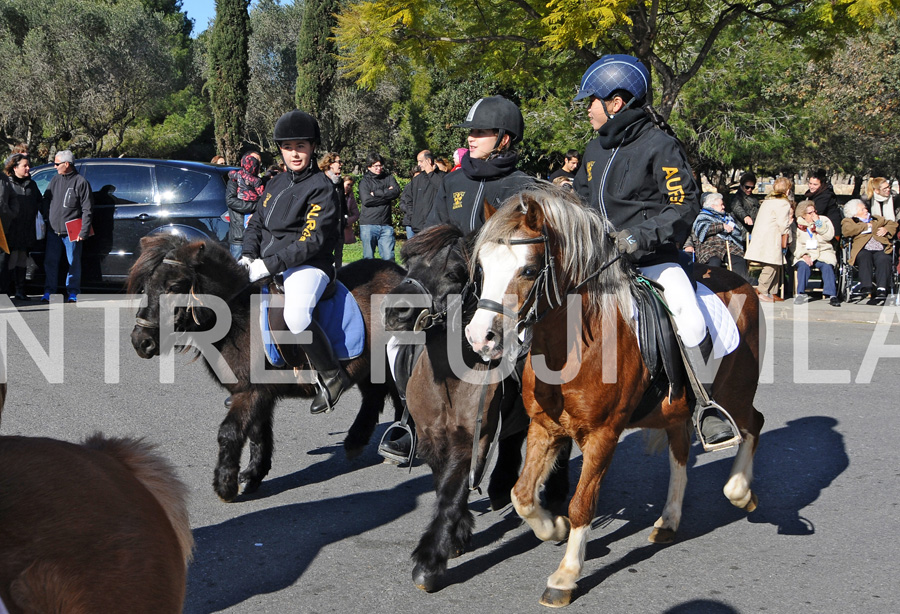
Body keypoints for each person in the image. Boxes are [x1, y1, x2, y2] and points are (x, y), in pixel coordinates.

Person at [572, 54, 737, 449]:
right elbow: (579, 199)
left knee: (690, 316)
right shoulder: (594, 149)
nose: (587, 110)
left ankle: (704, 405)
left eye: (591, 101)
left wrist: (637, 237)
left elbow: (683, 207)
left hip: (651, 260)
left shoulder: (660, 146)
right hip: (597, 261)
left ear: (615, 102)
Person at [241, 109, 349, 415]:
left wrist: (270, 264)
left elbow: (309, 241)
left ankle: (331, 375)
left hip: (309, 266)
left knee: (297, 315)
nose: (294, 153)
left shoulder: (322, 188)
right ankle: (252, 384)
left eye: (301, 146)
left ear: (313, 147)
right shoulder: (274, 184)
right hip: (269, 262)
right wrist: (248, 254)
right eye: (288, 147)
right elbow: (256, 224)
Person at [426, 96, 533, 234]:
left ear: (503, 140)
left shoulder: (523, 185)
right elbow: (433, 231)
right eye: (471, 131)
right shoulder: (452, 181)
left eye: (480, 132)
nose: (470, 138)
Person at [40, 150, 92, 303]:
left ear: (66, 164)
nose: (55, 167)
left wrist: (84, 230)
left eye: (57, 164)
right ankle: (49, 291)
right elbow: (46, 199)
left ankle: (73, 292)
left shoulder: (80, 182)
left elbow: (87, 209)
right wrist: (46, 217)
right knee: (50, 262)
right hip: (53, 230)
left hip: (72, 231)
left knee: (73, 263)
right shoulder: (55, 180)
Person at [744, 177, 795, 303]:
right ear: (787, 190)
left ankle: (772, 292)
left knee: (775, 265)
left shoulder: (767, 201)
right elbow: (783, 224)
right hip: (771, 237)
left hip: (762, 236)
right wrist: (789, 238)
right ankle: (761, 290)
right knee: (771, 265)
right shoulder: (783, 203)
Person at [841, 198, 898, 300]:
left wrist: (886, 229)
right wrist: (866, 226)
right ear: (854, 213)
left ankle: (882, 288)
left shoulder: (876, 219)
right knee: (864, 257)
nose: (866, 210)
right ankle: (866, 287)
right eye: (862, 210)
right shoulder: (849, 221)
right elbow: (847, 231)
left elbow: (893, 224)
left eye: (865, 209)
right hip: (862, 248)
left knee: (884, 258)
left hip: (880, 247)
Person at [685, 192, 750, 282]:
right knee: (714, 263)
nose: (723, 207)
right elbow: (703, 229)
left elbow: (736, 230)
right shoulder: (702, 216)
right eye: (721, 205)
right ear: (712, 206)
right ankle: (712, 287)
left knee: (739, 261)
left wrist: (730, 229)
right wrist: (722, 226)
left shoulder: (728, 217)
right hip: (710, 247)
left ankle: (742, 286)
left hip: (728, 246)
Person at [3, 153, 41, 300]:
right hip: (11, 231)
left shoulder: (32, 184)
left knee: (21, 260)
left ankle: (20, 290)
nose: (28, 168)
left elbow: (39, 202)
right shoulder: (7, 184)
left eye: (28, 165)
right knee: (9, 261)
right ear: (14, 167)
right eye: (24, 166)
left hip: (27, 230)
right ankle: (6, 292)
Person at [792, 200, 840, 307]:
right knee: (803, 266)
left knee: (827, 266)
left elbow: (829, 236)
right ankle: (800, 293)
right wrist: (803, 255)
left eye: (814, 211)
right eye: (810, 213)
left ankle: (832, 295)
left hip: (823, 251)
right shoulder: (797, 225)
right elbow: (795, 245)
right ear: (803, 215)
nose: (814, 215)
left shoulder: (824, 220)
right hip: (806, 253)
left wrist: (818, 223)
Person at [358, 153, 400, 261]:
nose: (378, 168)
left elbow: (396, 192)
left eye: (380, 165)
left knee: (389, 257)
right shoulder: (364, 182)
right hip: (368, 225)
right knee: (368, 258)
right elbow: (367, 201)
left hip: (386, 225)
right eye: (375, 166)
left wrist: (376, 193)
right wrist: (387, 195)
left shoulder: (388, 177)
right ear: (369, 167)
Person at [226, 151, 264, 260]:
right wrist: (257, 206)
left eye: (258, 162)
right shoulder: (235, 180)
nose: (255, 164)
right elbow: (231, 201)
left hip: (258, 236)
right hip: (240, 237)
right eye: (253, 160)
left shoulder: (259, 182)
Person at [400, 150, 445, 237]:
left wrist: (431, 174)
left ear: (429, 161)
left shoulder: (443, 176)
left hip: (436, 227)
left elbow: (442, 189)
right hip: (418, 227)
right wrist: (413, 216)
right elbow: (408, 199)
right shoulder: (417, 180)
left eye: (421, 161)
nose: (419, 164)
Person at [319, 152, 347, 268]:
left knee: (338, 256)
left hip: (338, 228)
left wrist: (345, 218)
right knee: (325, 258)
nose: (341, 164)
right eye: (338, 161)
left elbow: (342, 203)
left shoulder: (339, 182)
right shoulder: (321, 181)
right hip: (325, 229)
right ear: (330, 164)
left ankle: (338, 278)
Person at [805, 170, 842, 237]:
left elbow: (817, 212)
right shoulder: (812, 194)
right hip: (820, 225)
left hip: (830, 227)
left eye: (815, 184)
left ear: (821, 185)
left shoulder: (825, 196)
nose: (811, 186)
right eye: (810, 183)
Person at [342, 176, 360, 246]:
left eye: (351, 185)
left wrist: (347, 221)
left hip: (344, 227)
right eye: (348, 184)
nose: (349, 187)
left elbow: (356, 214)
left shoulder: (350, 198)